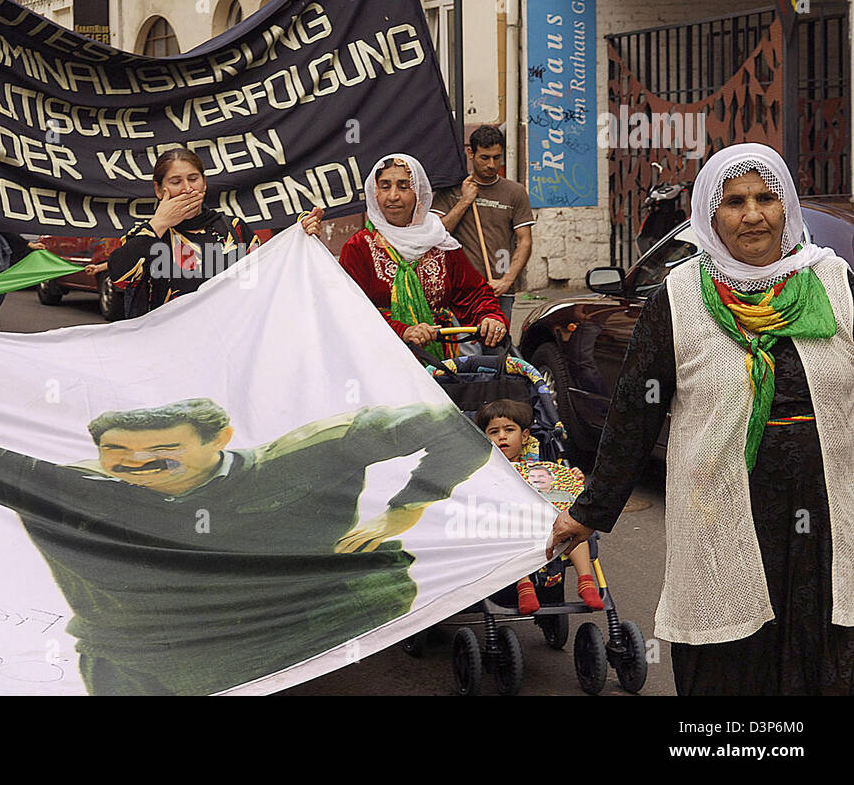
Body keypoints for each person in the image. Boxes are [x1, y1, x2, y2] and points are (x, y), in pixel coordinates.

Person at [0, 288, 494, 694]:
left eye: (161, 460)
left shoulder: (313, 455)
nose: (136, 473)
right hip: (138, 664)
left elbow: (451, 429)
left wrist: (411, 504)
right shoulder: (77, 491)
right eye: (120, 462)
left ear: (220, 438)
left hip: (295, 624)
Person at [549, 142, 854, 695]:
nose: (753, 214)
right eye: (734, 201)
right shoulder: (683, 295)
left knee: (822, 636)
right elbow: (635, 412)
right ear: (711, 214)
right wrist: (590, 509)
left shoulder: (833, 282)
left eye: (766, 198)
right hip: (723, 507)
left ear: (787, 206)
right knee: (730, 648)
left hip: (826, 507)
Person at [107, 148, 323, 317]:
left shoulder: (234, 228)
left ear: (204, 183)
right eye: (175, 182)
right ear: (158, 189)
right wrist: (160, 222)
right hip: (165, 351)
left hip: (230, 344)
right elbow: (120, 279)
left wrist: (300, 237)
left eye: (193, 179)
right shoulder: (148, 233)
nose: (187, 188)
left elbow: (268, 276)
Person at [339, 154, 508, 361]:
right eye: (384, 186)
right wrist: (403, 330)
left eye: (403, 186)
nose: (393, 196)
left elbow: (473, 294)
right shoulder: (359, 247)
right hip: (380, 360)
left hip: (441, 362)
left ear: (418, 192)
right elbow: (350, 309)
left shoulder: (439, 241)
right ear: (374, 192)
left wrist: (490, 317)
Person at [476, 399, 601, 614]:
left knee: (575, 528)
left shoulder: (538, 466)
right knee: (508, 535)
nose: (502, 436)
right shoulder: (485, 469)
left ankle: (586, 581)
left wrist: (570, 478)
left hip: (549, 522)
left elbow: (556, 488)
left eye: (509, 430)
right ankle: (524, 585)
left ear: (524, 436)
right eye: (493, 432)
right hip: (511, 524)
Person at [432, 125, 535, 323]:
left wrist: (507, 280)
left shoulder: (514, 192)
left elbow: (525, 242)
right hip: (460, 290)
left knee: (496, 349)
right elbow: (437, 233)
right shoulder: (451, 190)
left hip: (499, 289)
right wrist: (464, 201)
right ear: (471, 153)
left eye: (497, 157)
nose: (492, 164)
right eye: (485, 157)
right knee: (465, 348)